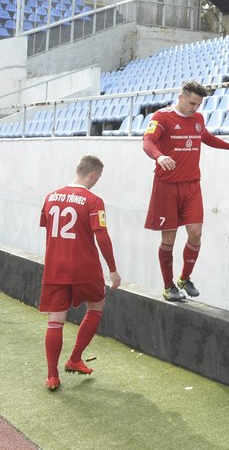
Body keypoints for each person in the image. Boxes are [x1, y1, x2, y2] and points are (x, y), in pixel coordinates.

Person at [143, 80, 229, 302]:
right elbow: (148, 142)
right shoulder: (161, 117)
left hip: (192, 185)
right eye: (192, 103)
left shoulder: (198, 119)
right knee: (169, 238)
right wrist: (159, 156)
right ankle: (167, 285)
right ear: (181, 97)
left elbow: (206, 138)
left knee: (195, 233)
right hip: (167, 186)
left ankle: (185, 278)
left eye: (199, 104)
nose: (195, 108)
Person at [38, 155, 121, 391]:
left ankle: (52, 376)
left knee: (55, 321)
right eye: (99, 177)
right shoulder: (93, 200)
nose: (98, 181)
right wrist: (113, 269)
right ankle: (74, 358)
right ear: (93, 174)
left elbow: (47, 228)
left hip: (55, 267)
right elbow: (102, 237)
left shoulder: (50, 197)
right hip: (85, 267)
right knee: (96, 306)